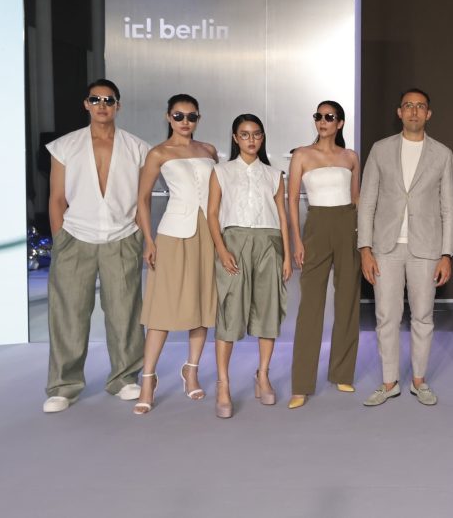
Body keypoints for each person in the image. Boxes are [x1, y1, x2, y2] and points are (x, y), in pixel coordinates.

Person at [42, 79, 150, 413]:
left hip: (123, 236)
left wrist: (142, 237)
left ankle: (124, 378)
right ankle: (63, 386)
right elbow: (56, 198)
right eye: (96, 99)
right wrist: (60, 240)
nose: (102, 105)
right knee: (68, 314)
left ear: (118, 105)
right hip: (75, 237)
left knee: (125, 313)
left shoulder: (137, 147)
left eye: (109, 100)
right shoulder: (65, 146)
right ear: (86, 104)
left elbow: (143, 199)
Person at [358, 88, 453, 407]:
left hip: (426, 248)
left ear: (429, 114)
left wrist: (446, 254)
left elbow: (449, 207)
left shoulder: (442, 154)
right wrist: (365, 248)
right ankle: (389, 383)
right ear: (399, 112)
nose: (414, 111)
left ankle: (418, 381)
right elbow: (367, 201)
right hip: (385, 248)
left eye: (420, 106)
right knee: (386, 317)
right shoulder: (380, 149)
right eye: (408, 106)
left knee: (423, 316)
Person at [133, 94, 219, 415]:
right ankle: (148, 379)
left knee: (203, 303)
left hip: (208, 233)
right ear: (169, 117)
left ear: (198, 118)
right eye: (179, 116)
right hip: (172, 233)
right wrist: (148, 240)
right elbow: (142, 199)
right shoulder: (158, 153)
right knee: (162, 308)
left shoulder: (209, 150)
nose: (185, 122)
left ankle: (191, 370)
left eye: (191, 116)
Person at [207, 114, 292, 418]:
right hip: (234, 242)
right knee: (230, 312)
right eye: (244, 134)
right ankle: (223, 384)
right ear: (235, 138)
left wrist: (287, 255)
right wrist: (221, 249)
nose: (251, 140)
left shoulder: (274, 174)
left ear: (262, 137)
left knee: (268, 310)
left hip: (269, 243)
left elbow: (282, 215)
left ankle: (263, 375)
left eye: (256, 134)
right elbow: (212, 213)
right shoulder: (221, 171)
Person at [286, 101, 361, 409]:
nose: (323, 121)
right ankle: (301, 384)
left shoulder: (350, 157)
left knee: (348, 301)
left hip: (348, 225)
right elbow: (292, 199)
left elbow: (356, 198)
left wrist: (363, 239)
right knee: (310, 307)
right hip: (316, 225)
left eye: (329, 117)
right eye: (318, 116)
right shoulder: (302, 155)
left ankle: (342, 372)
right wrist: (297, 240)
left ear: (340, 123)